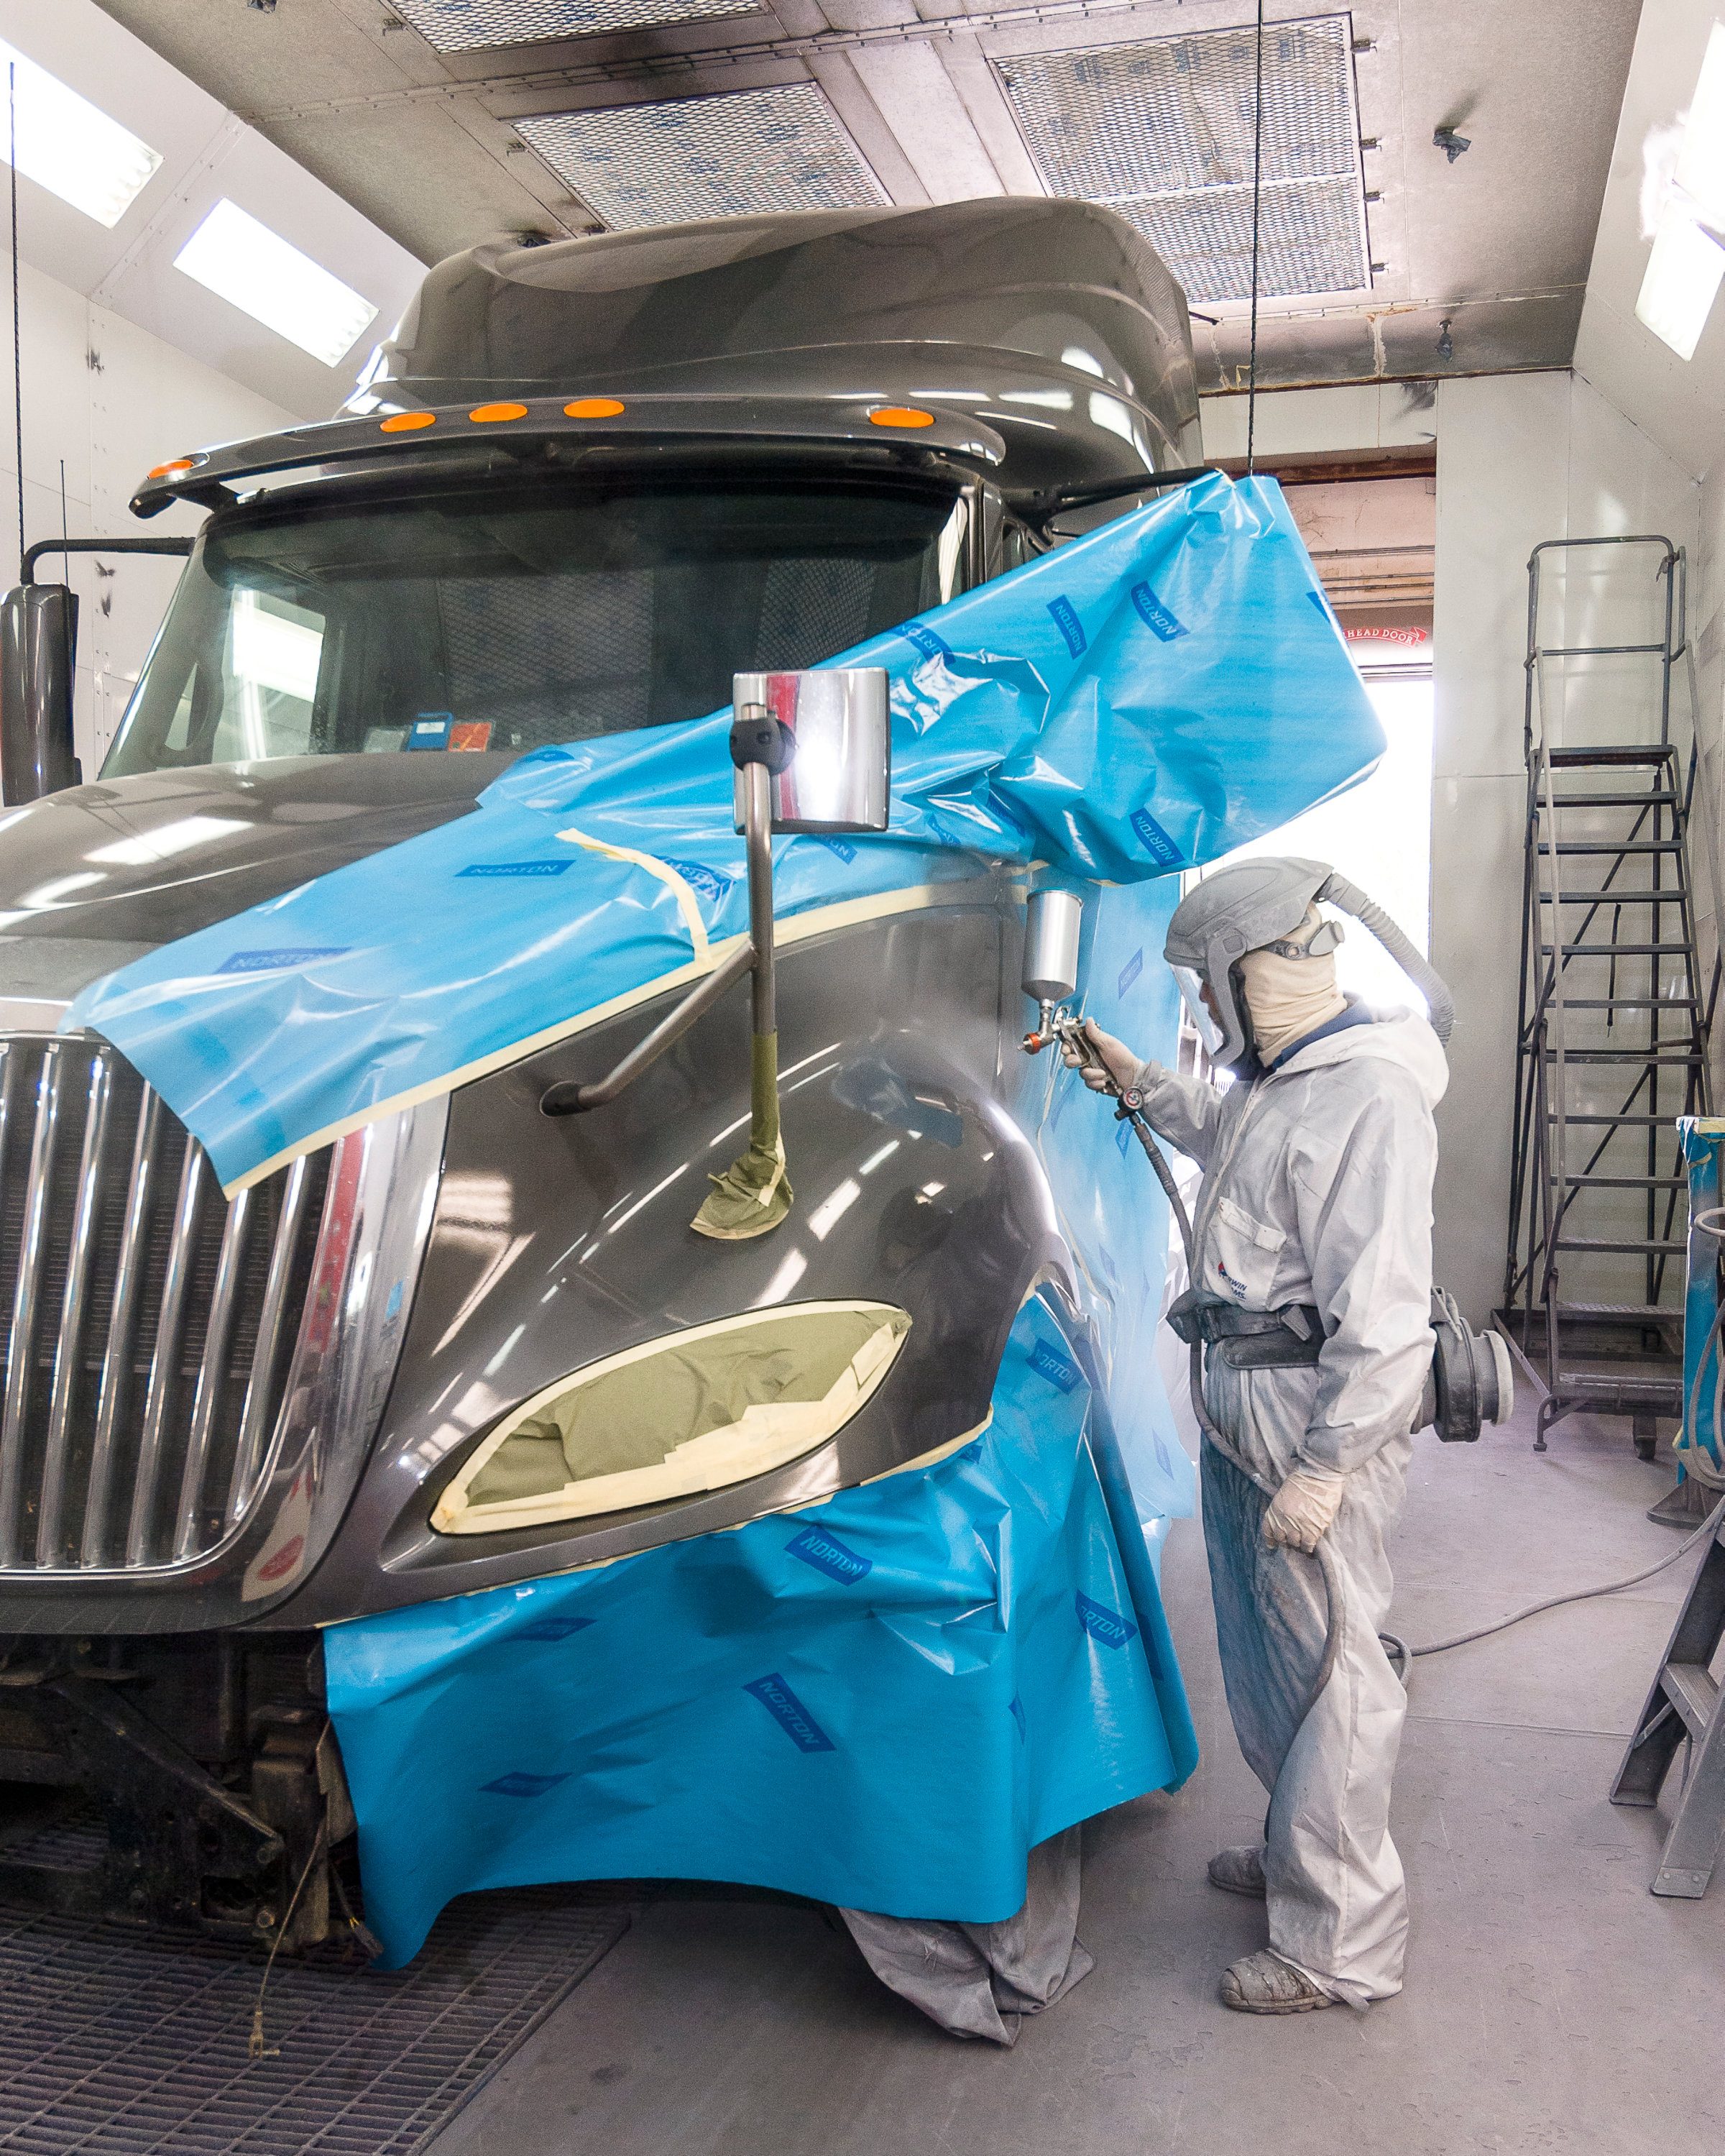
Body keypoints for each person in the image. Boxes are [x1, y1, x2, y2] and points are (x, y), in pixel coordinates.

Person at [1064, 857, 1447, 2016]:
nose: (1196, 1003)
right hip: (1249, 1409)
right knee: (1276, 1659)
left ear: (1251, 971)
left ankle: (1341, 1945)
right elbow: (1235, 1151)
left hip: (1307, 1422)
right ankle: (1300, 1857)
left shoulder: (1369, 1096)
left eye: (1203, 982)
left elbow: (1385, 1318)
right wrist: (1140, 1083)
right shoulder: (1288, 1080)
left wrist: (1328, 1469)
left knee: (1335, 1677)